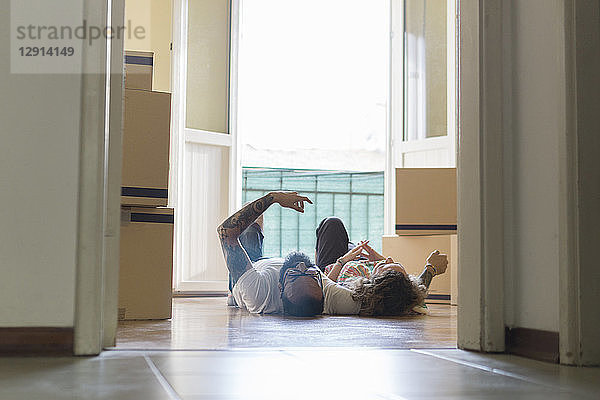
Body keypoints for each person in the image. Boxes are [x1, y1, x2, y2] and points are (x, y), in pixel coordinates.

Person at [217, 191, 360, 317]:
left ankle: (233, 295)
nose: (302, 265)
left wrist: (273, 197)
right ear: (322, 290)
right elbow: (376, 301)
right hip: (273, 268)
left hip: (253, 265)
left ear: (280, 287)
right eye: (311, 275)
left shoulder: (258, 295)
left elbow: (225, 232)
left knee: (251, 214)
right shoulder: (331, 296)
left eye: (295, 275)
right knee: (334, 225)